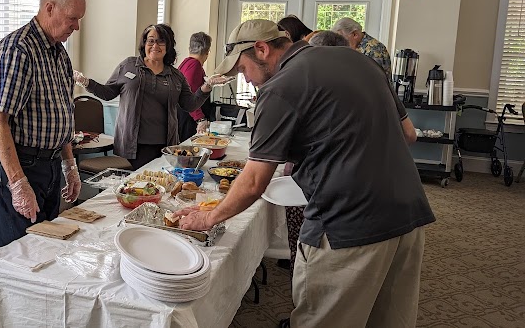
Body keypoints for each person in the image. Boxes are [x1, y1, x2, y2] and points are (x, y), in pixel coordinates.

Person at [177, 19, 429, 327]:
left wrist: (209, 218)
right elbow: (408, 134)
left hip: (346, 226)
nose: (246, 78)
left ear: (261, 49)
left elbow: (255, 181)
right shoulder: (360, 61)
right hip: (408, 215)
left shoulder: (280, 87)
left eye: (242, 69)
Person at [0, 0, 84, 247]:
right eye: (72, 18)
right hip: (22, 163)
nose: (76, 26)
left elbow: (62, 114)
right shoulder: (18, 50)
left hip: (50, 164)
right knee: (20, 250)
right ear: (50, 8)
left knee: (47, 246)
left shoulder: (59, 54)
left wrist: (69, 165)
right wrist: (18, 183)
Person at [73, 24, 231, 170]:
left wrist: (208, 85)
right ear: (144, 44)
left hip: (165, 146)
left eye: (161, 41)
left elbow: (189, 104)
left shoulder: (176, 76)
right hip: (132, 145)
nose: (155, 46)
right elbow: (108, 93)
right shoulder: (128, 66)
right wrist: (85, 82)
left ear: (168, 45)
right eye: (151, 41)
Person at [331, 17, 392, 82]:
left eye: (343, 39)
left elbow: (372, 81)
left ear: (355, 34)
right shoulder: (356, 46)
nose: (341, 43)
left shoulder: (374, 50)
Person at [178, 32, 213, 141]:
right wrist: (200, 119)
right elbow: (190, 96)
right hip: (189, 119)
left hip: (184, 116)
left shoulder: (185, 63)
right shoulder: (195, 65)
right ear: (207, 52)